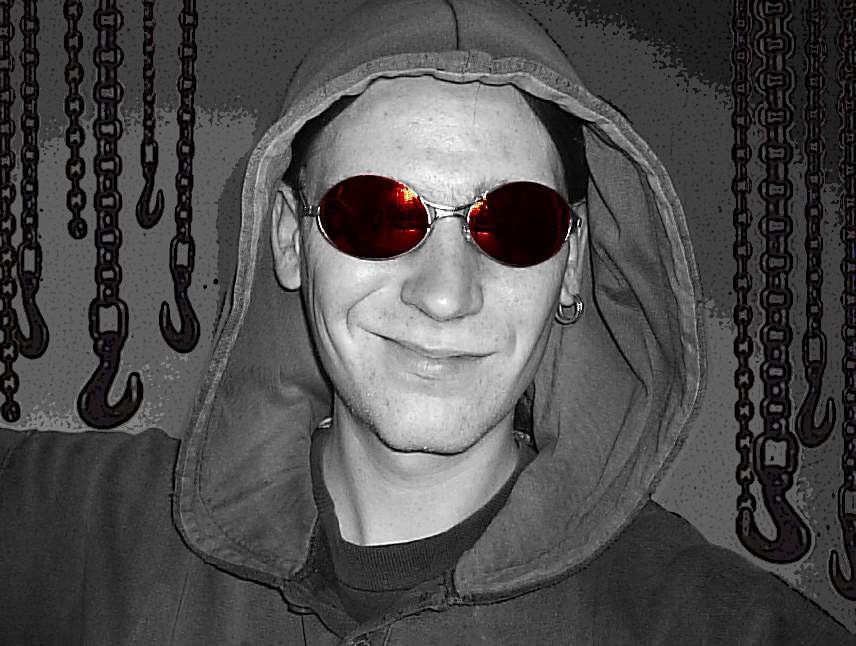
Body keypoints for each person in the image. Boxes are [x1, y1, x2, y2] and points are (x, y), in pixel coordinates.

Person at [1, 0, 853, 644]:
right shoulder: (75, 525)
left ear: (571, 264)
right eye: (377, 213)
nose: (445, 294)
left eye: (514, 222)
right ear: (290, 241)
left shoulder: (713, 624)